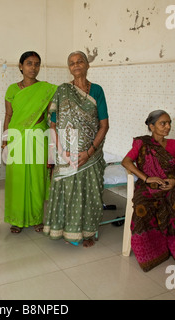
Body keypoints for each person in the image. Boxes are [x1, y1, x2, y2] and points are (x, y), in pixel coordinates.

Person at [43, 51, 109, 248]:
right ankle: (65, 229)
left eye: (80, 61)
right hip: (66, 154)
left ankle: (88, 232)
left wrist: (89, 152)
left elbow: (104, 125)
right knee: (67, 192)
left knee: (90, 193)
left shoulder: (97, 90)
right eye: (71, 63)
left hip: (91, 154)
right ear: (69, 68)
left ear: (87, 65)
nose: (76, 65)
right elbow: (53, 125)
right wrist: (61, 152)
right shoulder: (62, 91)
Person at [121, 110, 175, 272]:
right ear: (151, 126)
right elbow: (126, 162)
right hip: (147, 187)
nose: (168, 126)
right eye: (163, 123)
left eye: (169, 123)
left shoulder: (174, 145)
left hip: (170, 186)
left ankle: (174, 248)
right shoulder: (142, 144)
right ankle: (151, 252)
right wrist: (146, 178)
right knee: (142, 210)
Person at [2, 51, 57, 233]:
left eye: (36, 64)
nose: (33, 67)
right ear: (20, 66)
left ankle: (36, 218)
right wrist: (5, 141)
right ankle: (16, 220)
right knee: (17, 181)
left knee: (37, 179)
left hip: (38, 137)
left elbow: (52, 114)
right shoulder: (12, 89)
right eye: (29, 63)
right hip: (16, 137)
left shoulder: (47, 90)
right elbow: (8, 115)